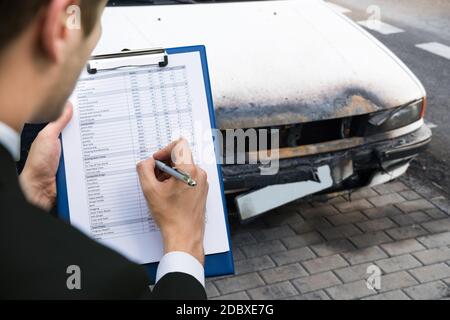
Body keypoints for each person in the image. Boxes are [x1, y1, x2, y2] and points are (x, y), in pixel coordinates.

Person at [0, 0, 209, 299]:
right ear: (61, 28)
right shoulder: (102, 281)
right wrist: (184, 242)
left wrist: (31, 194)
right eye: (98, 23)